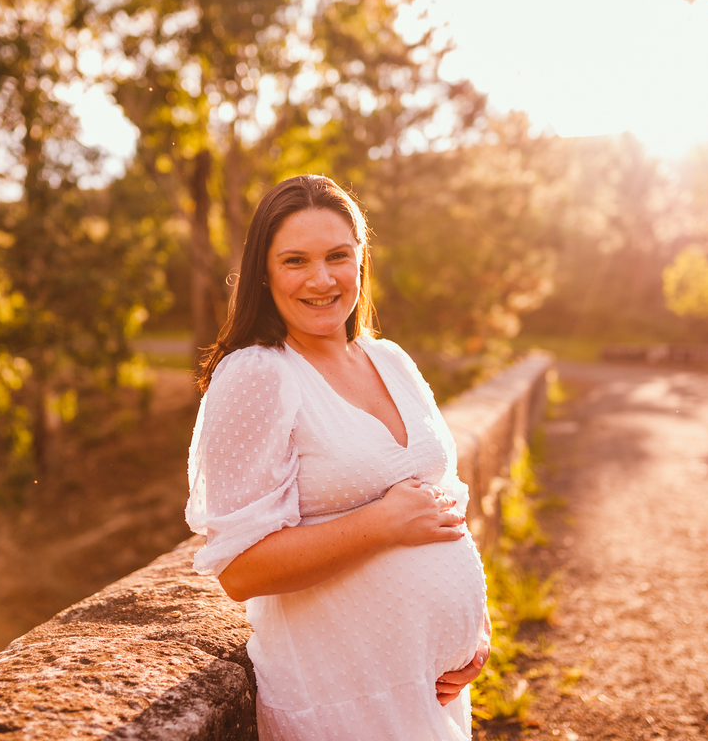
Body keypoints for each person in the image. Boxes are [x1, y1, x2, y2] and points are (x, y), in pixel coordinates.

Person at [185, 174, 490, 740]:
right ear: (264, 273)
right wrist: (382, 523)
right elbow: (241, 569)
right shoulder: (258, 375)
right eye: (295, 261)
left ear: (360, 260)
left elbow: (443, 505)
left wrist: (474, 629)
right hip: (343, 696)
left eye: (337, 256)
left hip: (432, 687)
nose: (321, 279)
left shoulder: (389, 359)